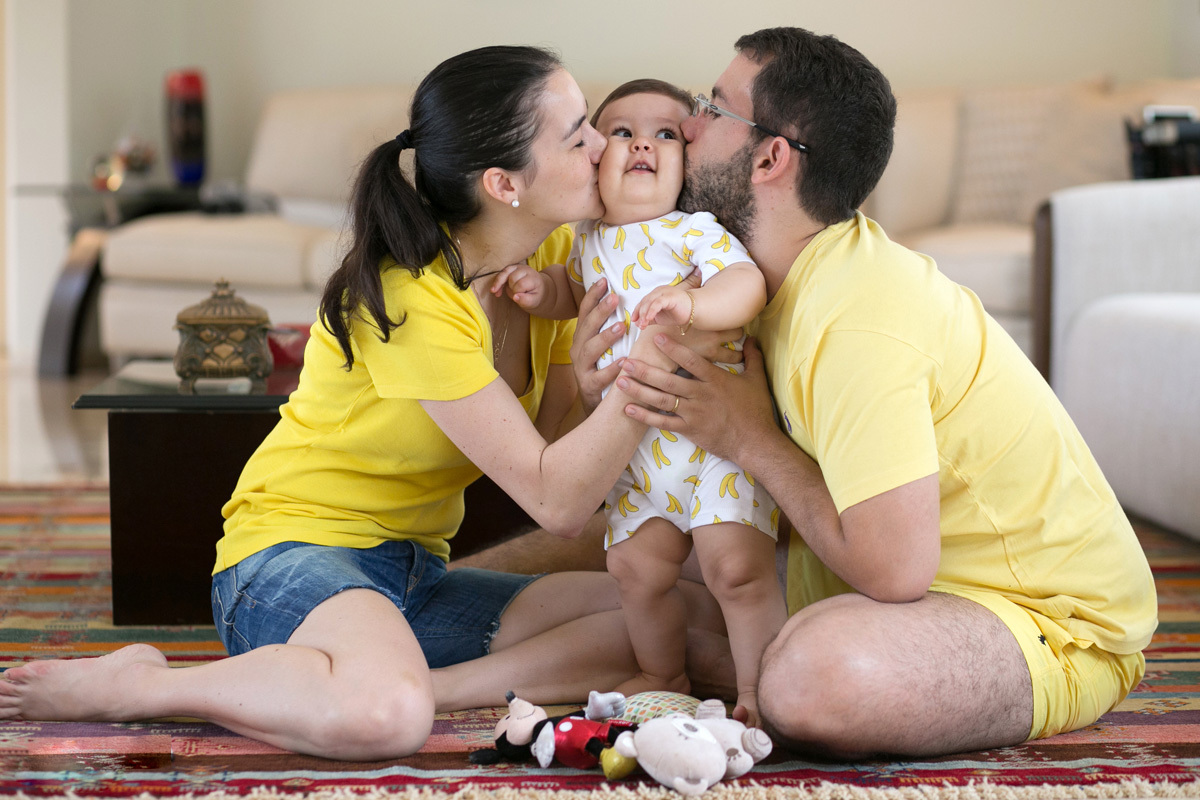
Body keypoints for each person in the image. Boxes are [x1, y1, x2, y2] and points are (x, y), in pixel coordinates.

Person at [0, 45, 736, 761]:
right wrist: (650, 366)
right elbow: (560, 502)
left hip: (413, 573)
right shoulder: (412, 297)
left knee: (675, 618)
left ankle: (429, 684)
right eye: (578, 135)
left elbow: (536, 461)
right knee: (385, 716)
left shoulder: (549, 259)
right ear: (504, 184)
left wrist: (588, 380)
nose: (603, 146)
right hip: (293, 558)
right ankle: (149, 686)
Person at [600, 27, 1158, 758]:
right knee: (624, 587)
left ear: (769, 156)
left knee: (808, 676)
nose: (689, 122)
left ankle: (760, 668)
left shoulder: (858, 314)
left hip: (1048, 624)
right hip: (879, 590)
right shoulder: (756, 285)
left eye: (712, 108)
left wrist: (746, 437)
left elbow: (895, 571)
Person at [490, 79, 786, 725]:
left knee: (736, 568)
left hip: (712, 444)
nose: (642, 144)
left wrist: (696, 303)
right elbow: (574, 292)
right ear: (597, 159)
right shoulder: (586, 239)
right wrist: (542, 293)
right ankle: (661, 670)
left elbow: (746, 285)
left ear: (686, 166)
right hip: (637, 453)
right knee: (633, 568)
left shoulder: (693, 230)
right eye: (622, 132)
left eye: (665, 134)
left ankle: (763, 694)